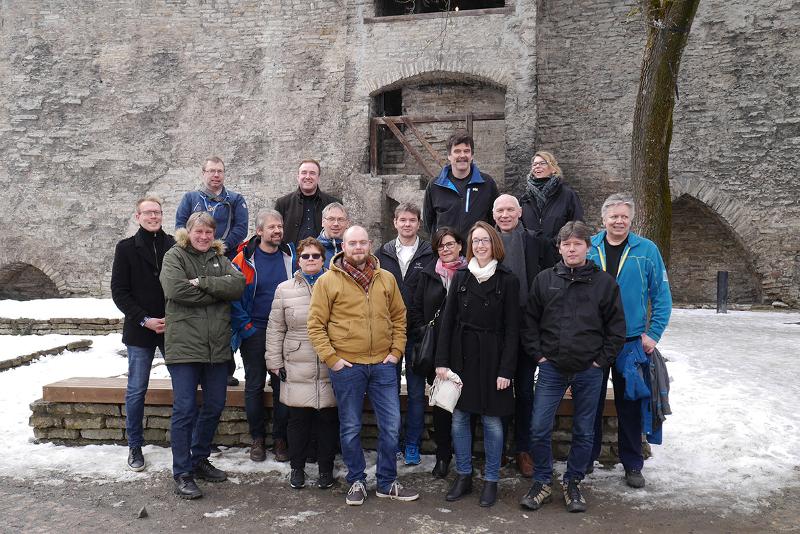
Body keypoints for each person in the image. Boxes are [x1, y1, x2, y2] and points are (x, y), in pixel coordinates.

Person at [307, 226, 419, 505]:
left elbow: (399, 317)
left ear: (370, 244)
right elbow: (316, 325)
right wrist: (332, 359)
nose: (358, 247)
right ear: (343, 246)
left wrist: (396, 351)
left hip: (383, 364)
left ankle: (387, 481)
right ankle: (356, 479)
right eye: (352, 243)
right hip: (348, 366)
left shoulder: (386, 278)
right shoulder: (327, 281)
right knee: (350, 427)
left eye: (362, 242)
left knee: (391, 426)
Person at [519, 221, 626, 513]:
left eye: (577, 244)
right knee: (539, 428)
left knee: (584, 431)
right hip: (552, 368)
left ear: (588, 248)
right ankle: (542, 481)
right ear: (559, 248)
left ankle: (573, 481)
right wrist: (539, 356)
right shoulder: (545, 280)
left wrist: (600, 361)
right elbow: (529, 322)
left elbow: (616, 329)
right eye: (566, 244)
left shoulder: (604, 283)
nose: (571, 249)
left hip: (589, 370)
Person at [587, 193, 672, 488]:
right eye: (614, 216)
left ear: (631, 219)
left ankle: (633, 464)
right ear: (603, 219)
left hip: (631, 343)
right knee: (590, 403)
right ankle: (586, 458)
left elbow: (661, 296)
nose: (619, 221)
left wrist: (654, 334)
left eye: (624, 216)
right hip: (593, 340)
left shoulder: (646, 250)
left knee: (630, 405)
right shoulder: (589, 247)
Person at [159, 212, 245, 500]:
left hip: (216, 348)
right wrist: (218, 294)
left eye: (209, 232)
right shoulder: (175, 256)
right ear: (189, 232)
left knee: (214, 405)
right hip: (184, 347)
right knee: (185, 409)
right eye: (199, 232)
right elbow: (175, 289)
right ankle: (182, 472)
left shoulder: (220, 258)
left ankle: (199, 459)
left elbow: (238, 285)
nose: (204, 237)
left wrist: (203, 282)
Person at [435, 221, 520, 508]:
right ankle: (464, 475)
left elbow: (513, 330)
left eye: (485, 240)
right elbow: (447, 322)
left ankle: (491, 479)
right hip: (462, 355)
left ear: (494, 243)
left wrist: (506, 370)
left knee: (492, 421)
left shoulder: (508, 280)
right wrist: (442, 362)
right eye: (476, 241)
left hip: (494, 358)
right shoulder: (461, 277)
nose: (480, 245)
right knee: (460, 417)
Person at [491, 193, 556, 478]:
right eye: (500, 210)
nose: (505, 215)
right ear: (493, 214)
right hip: (496, 331)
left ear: (519, 213)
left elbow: (551, 280)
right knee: (499, 391)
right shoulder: (485, 242)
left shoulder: (535, 242)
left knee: (526, 392)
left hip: (528, 328)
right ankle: (498, 447)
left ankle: (523, 448)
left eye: (510, 210)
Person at [266, 237, 338, 490]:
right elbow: (276, 327)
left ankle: (326, 469)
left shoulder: (335, 284)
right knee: (298, 420)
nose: (310, 260)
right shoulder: (284, 289)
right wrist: (274, 361)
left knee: (328, 419)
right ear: (298, 260)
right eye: (305, 256)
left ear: (323, 259)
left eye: (315, 256)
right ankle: (297, 468)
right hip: (296, 361)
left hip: (329, 360)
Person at [111, 195, 175, 472]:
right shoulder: (126, 248)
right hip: (140, 330)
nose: (153, 216)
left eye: (157, 212)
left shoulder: (173, 245)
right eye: (148, 212)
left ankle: (184, 442)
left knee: (183, 387)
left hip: (172, 329)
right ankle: (135, 445)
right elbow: (119, 292)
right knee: (137, 390)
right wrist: (145, 320)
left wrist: (172, 318)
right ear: (138, 217)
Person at [175, 156, 249, 387]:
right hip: (193, 260)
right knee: (198, 313)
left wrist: (219, 247)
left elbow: (241, 228)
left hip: (223, 260)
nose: (216, 175)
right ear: (203, 173)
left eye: (220, 171)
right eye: (211, 171)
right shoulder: (190, 198)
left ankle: (226, 369)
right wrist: (195, 248)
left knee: (224, 314)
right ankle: (196, 368)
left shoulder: (235, 200)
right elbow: (180, 225)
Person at [230, 209, 295, 463]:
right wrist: (246, 328)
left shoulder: (290, 256)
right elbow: (233, 298)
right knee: (254, 385)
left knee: (282, 385)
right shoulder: (243, 260)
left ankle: (280, 438)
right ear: (259, 231)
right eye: (272, 227)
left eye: (280, 226)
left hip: (284, 332)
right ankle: (257, 438)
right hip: (254, 330)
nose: (277, 231)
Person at [375, 202, 435, 466]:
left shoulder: (429, 253)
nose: (407, 224)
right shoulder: (382, 253)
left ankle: (412, 443)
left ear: (419, 224)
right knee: (388, 392)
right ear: (395, 222)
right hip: (388, 334)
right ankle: (393, 442)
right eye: (403, 220)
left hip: (418, 334)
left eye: (412, 220)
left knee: (415, 393)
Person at [408, 227, 466, 479]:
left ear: (460, 246)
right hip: (437, 350)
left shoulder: (471, 273)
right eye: (441, 246)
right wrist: (424, 332)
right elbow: (416, 308)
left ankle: (464, 456)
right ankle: (443, 456)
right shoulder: (428, 274)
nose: (445, 249)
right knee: (442, 406)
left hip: (465, 348)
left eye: (450, 244)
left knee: (465, 405)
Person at [423, 131, 499, 238]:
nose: (462, 155)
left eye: (466, 151)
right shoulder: (434, 186)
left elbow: (494, 220)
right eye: (457, 151)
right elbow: (428, 224)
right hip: (446, 247)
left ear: (472, 155)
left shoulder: (487, 183)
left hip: (477, 247)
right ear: (449, 155)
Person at [275, 159, 342, 246]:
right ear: (298, 177)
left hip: (324, 254)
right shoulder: (282, 203)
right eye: (304, 173)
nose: (307, 177)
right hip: (290, 254)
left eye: (312, 173)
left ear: (318, 178)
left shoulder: (333, 203)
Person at [520, 151, 584, 241]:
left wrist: (557, 242)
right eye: (534, 164)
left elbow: (577, 224)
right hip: (531, 248)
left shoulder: (567, 194)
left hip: (558, 247)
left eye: (542, 163)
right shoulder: (526, 198)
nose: (537, 166)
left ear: (553, 168)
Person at [316, 202, 350, 268]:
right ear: (322, 222)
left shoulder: (355, 250)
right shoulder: (312, 250)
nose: (336, 224)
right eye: (331, 219)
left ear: (347, 223)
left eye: (341, 219)